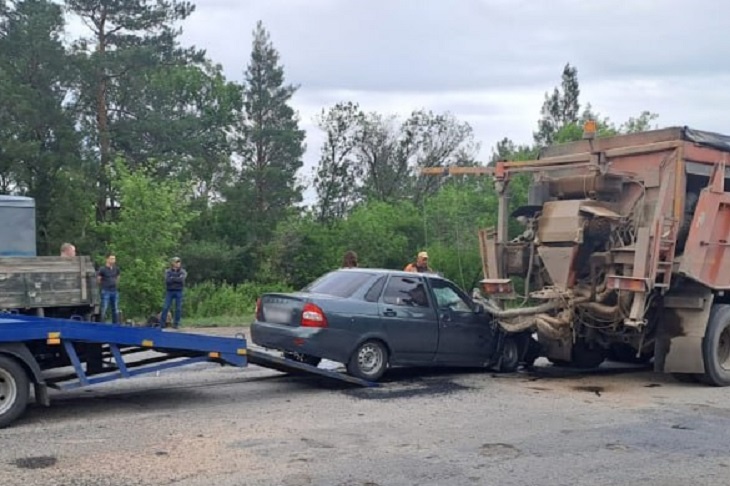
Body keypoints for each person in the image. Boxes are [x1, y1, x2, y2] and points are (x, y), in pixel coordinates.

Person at [160, 257, 187, 329]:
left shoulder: (183, 271)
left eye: (179, 262)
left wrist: (173, 278)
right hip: (169, 291)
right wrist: (176, 278)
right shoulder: (167, 271)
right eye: (176, 262)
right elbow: (167, 281)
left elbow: (181, 280)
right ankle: (162, 324)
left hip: (179, 291)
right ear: (173, 263)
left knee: (178, 308)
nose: (178, 263)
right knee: (165, 307)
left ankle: (176, 324)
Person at [97, 253, 120, 324]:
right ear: (107, 259)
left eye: (114, 259)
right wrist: (103, 285)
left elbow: (118, 277)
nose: (113, 260)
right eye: (111, 258)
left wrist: (115, 283)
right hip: (106, 290)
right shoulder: (102, 269)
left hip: (114, 291)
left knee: (115, 309)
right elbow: (98, 279)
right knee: (104, 308)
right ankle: (102, 323)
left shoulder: (116, 268)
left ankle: (115, 324)